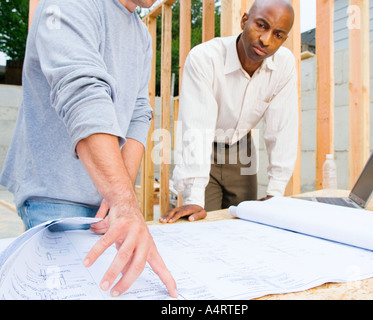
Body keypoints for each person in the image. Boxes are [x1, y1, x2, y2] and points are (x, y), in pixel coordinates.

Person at [0, 0, 177, 298]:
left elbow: (138, 113)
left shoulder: (141, 34)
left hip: (104, 202)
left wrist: (120, 200)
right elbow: (81, 91)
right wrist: (121, 200)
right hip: (55, 195)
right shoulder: (67, 4)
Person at [161, 0, 298, 223]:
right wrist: (193, 196)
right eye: (261, 25)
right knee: (202, 223)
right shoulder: (204, 59)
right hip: (205, 149)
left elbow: (282, 129)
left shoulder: (284, 66)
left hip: (242, 151)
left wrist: (276, 193)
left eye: (278, 35)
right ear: (245, 20)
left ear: (284, 39)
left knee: (244, 225)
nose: (266, 40)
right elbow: (197, 128)